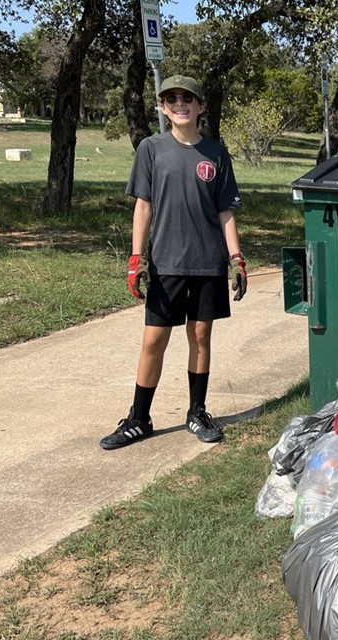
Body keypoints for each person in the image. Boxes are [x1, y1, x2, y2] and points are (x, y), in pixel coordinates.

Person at [100, 75, 248, 451]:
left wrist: (236, 258)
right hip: (165, 261)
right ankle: (139, 418)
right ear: (163, 108)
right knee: (154, 339)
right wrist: (137, 258)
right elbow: (143, 206)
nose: (179, 104)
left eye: (187, 98)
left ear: (201, 106)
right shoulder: (151, 148)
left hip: (207, 262)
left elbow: (225, 211)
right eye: (171, 99)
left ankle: (197, 412)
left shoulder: (216, 154)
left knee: (200, 336)